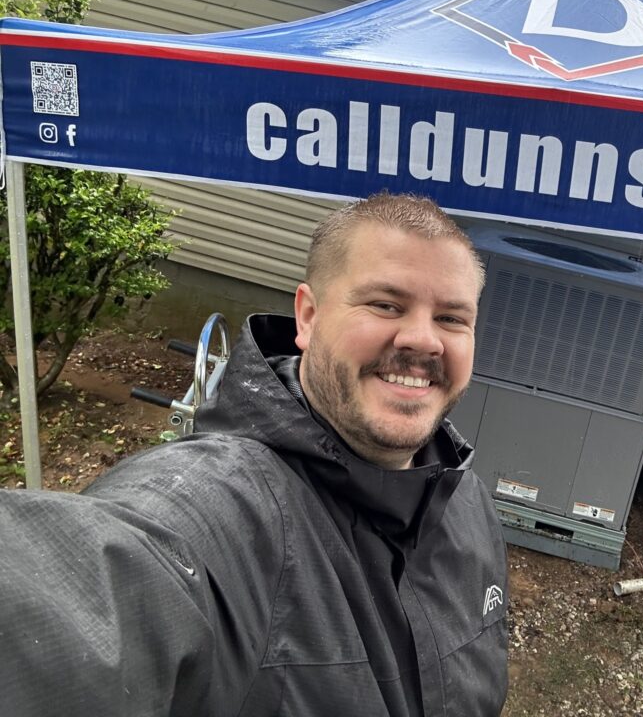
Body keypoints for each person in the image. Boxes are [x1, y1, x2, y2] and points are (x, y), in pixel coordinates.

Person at [0, 193, 508, 716]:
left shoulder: (466, 498)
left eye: (451, 318)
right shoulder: (218, 508)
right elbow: (85, 597)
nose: (424, 340)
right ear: (308, 317)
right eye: (385, 304)